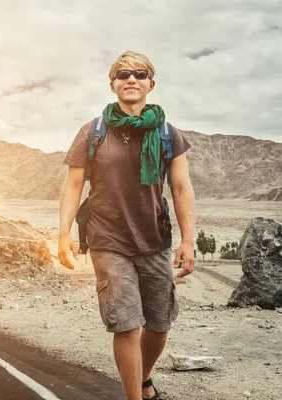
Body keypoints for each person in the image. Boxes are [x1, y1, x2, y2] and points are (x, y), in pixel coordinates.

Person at [58, 50, 196, 400]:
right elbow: (74, 185)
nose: (130, 79)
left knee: (160, 324)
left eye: (138, 73)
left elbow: (181, 188)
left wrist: (188, 240)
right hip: (108, 240)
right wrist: (62, 233)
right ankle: (134, 396)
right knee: (126, 325)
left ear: (151, 83)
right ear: (112, 84)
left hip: (154, 240)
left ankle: (145, 377)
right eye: (122, 74)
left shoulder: (167, 133)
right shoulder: (93, 131)